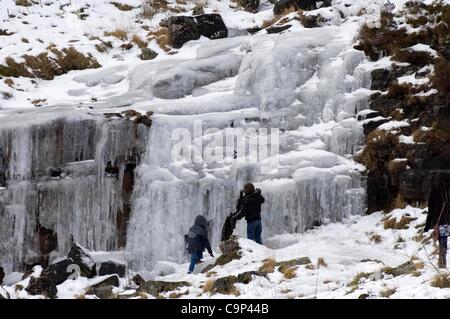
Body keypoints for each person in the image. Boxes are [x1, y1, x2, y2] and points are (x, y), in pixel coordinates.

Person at [425, 177, 450, 268]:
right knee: (444, 239)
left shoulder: (435, 191)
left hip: (441, 221)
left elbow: (430, 210)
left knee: (443, 241)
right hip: (448, 219)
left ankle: (442, 263)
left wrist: (427, 226)